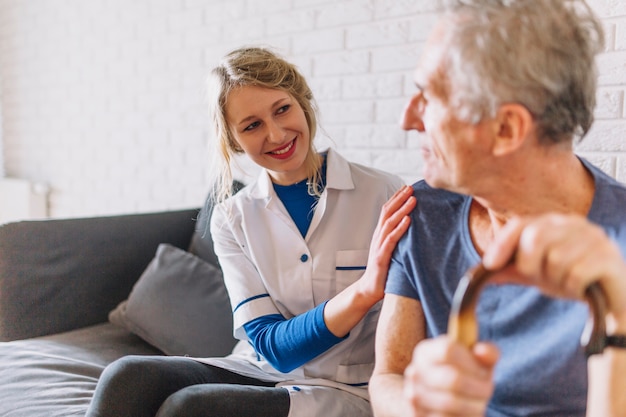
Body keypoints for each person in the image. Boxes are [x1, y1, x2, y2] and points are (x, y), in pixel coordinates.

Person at [85, 46, 416, 417]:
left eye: (282, 109)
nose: (276, 134)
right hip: (258, 369)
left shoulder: (385, 194)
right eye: (252, 125)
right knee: (125, 375)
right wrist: (364, 291)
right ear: (233, 140)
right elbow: (273, 346)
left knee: (189, 408)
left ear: (302, 102)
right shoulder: (231, 218)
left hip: (347, 387)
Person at [368, 1, 626, 417]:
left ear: (506, 129)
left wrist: (618, 321)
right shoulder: (421, 214)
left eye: (429, 97)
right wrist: (418, 407)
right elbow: (388, 376)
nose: (407, 118)